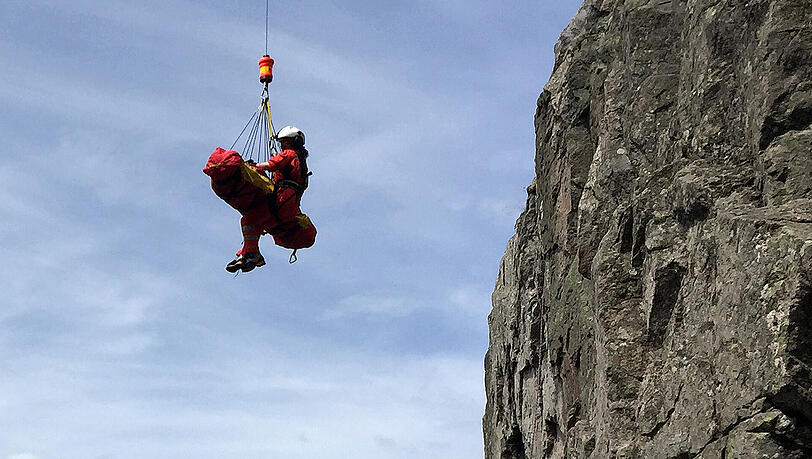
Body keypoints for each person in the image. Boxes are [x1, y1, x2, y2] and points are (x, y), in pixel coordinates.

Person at [226, 126, 311, 273]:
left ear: (293, 142)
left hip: (283, 199)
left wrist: (251, 167)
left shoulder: (289, 154)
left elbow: (272, 165)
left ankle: (252, 253)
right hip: (291, 204)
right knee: (256, 222)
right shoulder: (301, 162)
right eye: (282, 143)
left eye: (285, 142)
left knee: (249, 219)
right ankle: (248, 253)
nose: (283, 146)